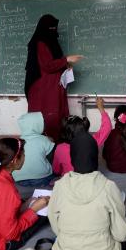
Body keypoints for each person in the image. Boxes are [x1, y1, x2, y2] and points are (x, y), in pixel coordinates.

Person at [47, 131, 126, 250]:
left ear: (72, 158)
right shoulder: (108, 186)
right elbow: (120, 235)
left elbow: (56, 227)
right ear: (95, 158)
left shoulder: (59, 186)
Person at [24, 14, 84, 142]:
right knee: (47, 116)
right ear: (45, 28)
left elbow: (55, 61)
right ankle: (43, 144)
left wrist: (66, 65)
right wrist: (66, 59)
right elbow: (47, 66)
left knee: (57, 116)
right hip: (43, 89)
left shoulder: (52, 42)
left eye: (54, 28)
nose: (54, 30)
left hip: (53, 87)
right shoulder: (40, 43)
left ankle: (57, 143)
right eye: (51, 28)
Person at [52, 97, 111, 176]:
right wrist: (100, 107)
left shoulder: (59, 148)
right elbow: (107, 127)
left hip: (70, 182)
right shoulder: (91, 141)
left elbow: (56, 170)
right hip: (89, 180)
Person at [12, 112, 55, 187]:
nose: (45, 124)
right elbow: (52, 159)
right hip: (42, 178)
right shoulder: (44, 140)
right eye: (42, 122)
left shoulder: (17, 142)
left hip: (19, 179)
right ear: (35, 125)